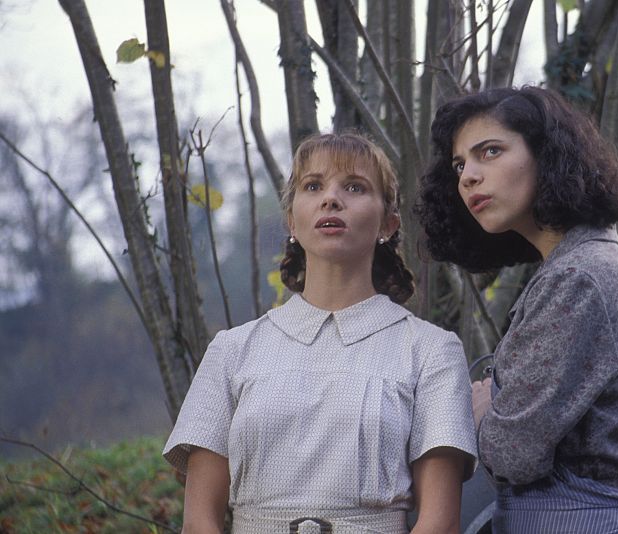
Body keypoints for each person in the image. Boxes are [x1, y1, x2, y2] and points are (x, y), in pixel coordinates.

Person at [164, 133, 477, 534]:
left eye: (355, 187)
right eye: (313, 186)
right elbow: (199, 523)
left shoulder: (431, 351)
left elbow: (440, 523)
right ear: (292, 221)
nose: (331, 199)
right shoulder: (232, 351)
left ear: (388, 223)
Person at [415, 86, 618, 533]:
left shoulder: (579, 277)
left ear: (547, 156)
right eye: (459, 164)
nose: (468, 176)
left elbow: (513, 454)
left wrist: (481, 408)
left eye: (490, 151)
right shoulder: (573, 265)